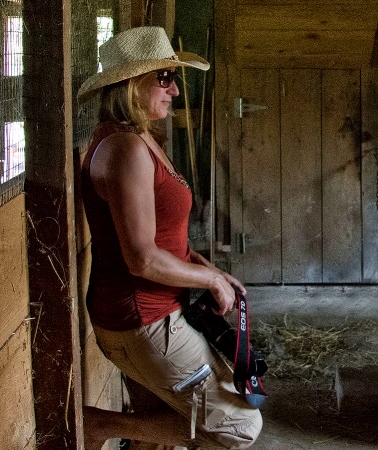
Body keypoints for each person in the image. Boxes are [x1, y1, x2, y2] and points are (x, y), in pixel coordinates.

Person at [77, 26, 262, 449]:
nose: (174, 90)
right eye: (164, 78)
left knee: (159, 428)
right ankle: (99, 426)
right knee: (239, 428)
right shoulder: (124, 148)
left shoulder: (141, 139)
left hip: (152, 312)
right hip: (143, 318)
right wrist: (212, 282)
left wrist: (209, 269)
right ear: (129, 83)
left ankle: (127, 432)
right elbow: (142, 259)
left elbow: (165, 238)